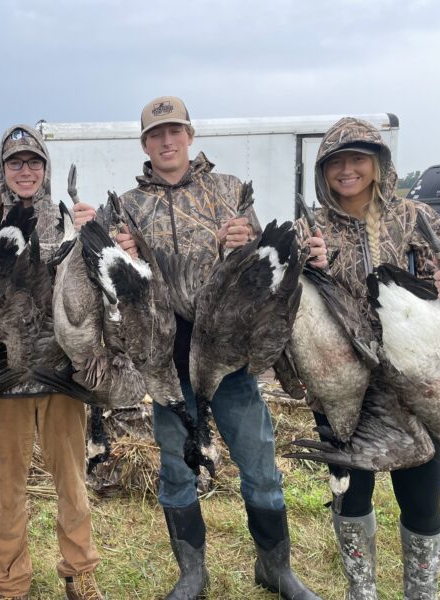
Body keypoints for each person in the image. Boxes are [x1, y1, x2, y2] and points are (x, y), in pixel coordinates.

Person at [96, 96, 320, 600]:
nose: (167, 141)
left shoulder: (230, 191)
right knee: (177, 468)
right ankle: (192, 575)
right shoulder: (126, 206)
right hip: (167, 363)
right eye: (156, 134)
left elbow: (265, 264)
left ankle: (275, 568)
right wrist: (122, 253)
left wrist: (249, 236)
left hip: (229, 359)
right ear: (145, 144)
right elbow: (115, 284)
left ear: (190, 135)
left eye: (175, 131)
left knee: (259, 461)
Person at [298, 116, 440, 599]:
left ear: (377, 164)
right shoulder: (309, 228)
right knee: (351, 493)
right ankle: (362, 592)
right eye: (336, 163)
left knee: (421, 494)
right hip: (345, 384)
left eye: (358, 159)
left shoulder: (417, 218)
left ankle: (422, 593)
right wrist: (307, 271)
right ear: (323, 171)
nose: (347, 170)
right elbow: (291, 311)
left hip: (414, 382)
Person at [0, 125, 103, 600]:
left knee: (72, 483)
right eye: (16, 164)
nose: (26, 171)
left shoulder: (69, 221)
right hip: (3, 379)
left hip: (61, 376)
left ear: (46, 169)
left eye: (34, 162)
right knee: (7, 489)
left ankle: (79, 572)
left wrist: (96, 237)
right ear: (3, 171)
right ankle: (11, 583)